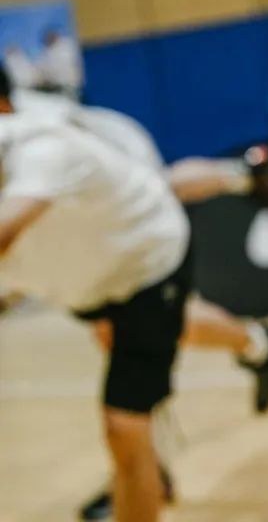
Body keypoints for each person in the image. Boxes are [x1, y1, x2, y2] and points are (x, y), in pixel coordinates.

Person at [0, 66, 190, 522]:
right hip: (82, 282)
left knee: (123, 425)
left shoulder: (44, 146)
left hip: (146, 261)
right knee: (122, 349)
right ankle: (264, 344)